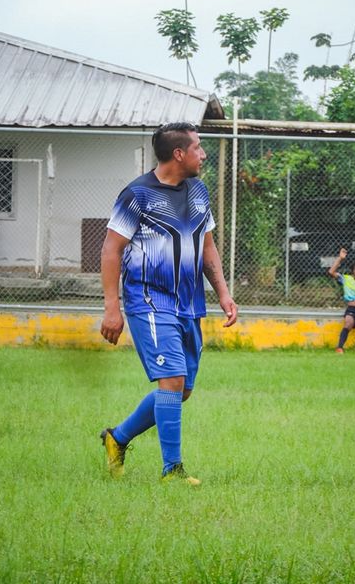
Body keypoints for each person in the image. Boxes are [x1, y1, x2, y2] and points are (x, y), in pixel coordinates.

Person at [100, 122, 237, 485]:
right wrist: (112, 308)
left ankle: (118, 438)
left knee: (181, 389)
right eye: (198, 148)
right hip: (148, 300)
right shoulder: (137, 195)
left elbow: (208, 247)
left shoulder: (199, 191)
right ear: (179, 154)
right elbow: (111, 250)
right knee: (172, 380)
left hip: (189, 304)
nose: (203, 154)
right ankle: (172, 470)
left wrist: (224, 293)